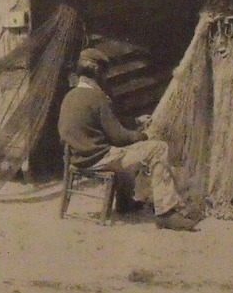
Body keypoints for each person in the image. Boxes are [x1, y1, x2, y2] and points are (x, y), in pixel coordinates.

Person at [58, 48, 198, 231]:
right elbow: (119, 137)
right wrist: (144, 135)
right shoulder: (97, 97)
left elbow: (98, 124)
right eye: (104, 74)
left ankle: (124, 202)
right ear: (98, 73)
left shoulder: (70, 97)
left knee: (124, 153)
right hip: (98, 159)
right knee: (157, 148)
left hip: (79, 157)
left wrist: (134, 122)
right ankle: (166, 213)